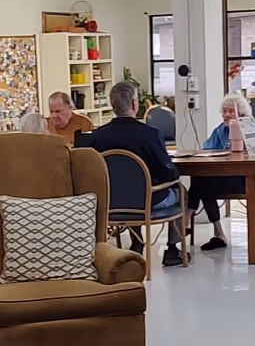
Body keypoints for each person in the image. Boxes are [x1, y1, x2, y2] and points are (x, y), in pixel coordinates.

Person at [78, 81, 184, 266]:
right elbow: (166, 171)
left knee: (130, 188)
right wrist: (175, 174)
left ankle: (137, 242)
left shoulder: (97, 136)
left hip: (111, 202)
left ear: (112, 105)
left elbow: (90, 171)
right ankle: (173, 250)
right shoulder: (150, 134)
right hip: (149, 200)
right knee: (180, 190)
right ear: (135, 104)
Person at [191, 94, 255, 252]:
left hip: (246, 178)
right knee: (200, 179)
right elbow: (207, 148)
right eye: (224, 111)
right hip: (223, 177)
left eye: (231, 111)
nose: (226, 115)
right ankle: (218, 233)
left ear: (241, 113)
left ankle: (190, 218)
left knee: (200, 183)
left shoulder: (252, 126)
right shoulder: (221, 130)